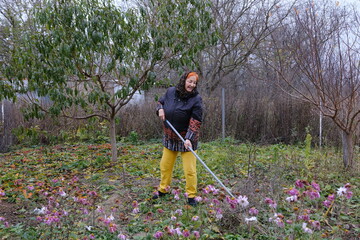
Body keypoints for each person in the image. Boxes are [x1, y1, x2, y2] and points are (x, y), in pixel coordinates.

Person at [153, 71, 203, 206]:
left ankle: (191, 196)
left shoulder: (196, 99)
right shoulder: (171, 92)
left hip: (187, 140)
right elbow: (160, 102)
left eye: (194, 83)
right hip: (170, 137)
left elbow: (196, 121)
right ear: (184, 80)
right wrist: (160, 109)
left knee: (190, 170)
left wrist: (189, 138)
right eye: (189, 81)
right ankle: (163, 190)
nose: (192, 85)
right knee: (165, 166)